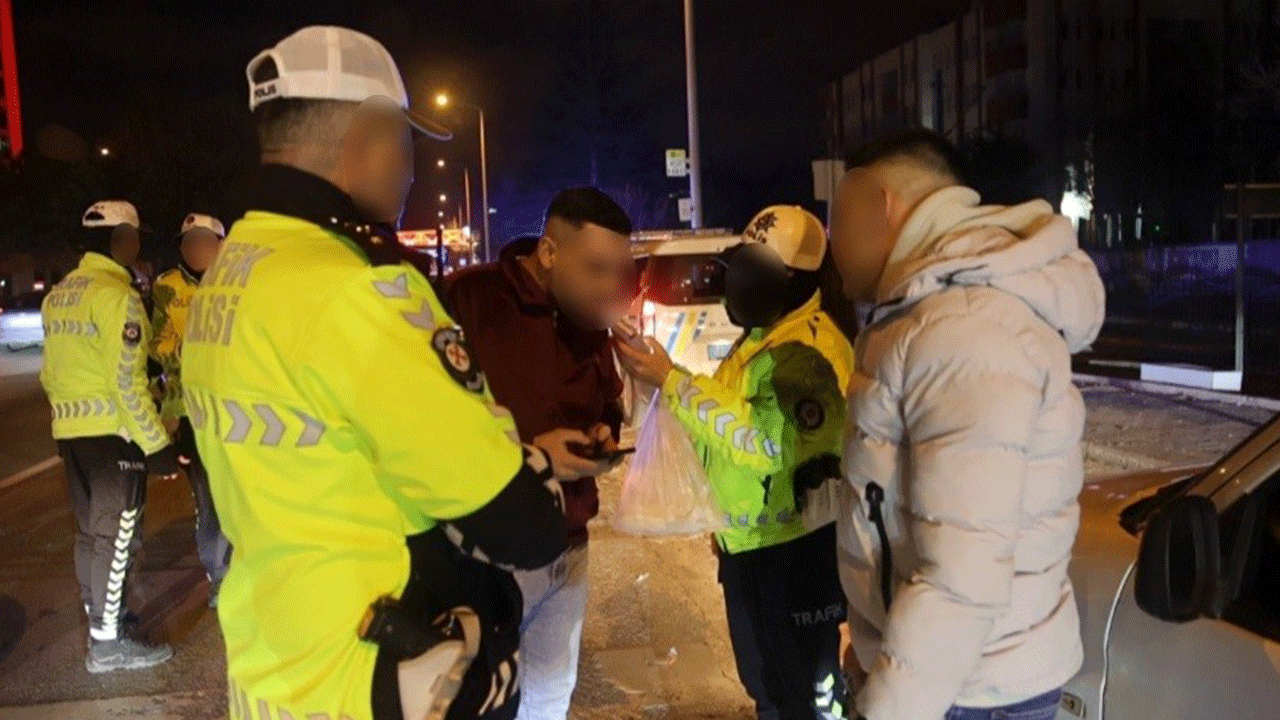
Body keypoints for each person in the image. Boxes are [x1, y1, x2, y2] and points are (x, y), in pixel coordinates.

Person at [183, 26, 601, 720]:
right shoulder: (359, 290)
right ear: (366, 134)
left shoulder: (231, 274)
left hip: (271, 670)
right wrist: (534, 475)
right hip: (374, 675)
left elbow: (332, 450)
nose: (408, 170)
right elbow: (518, 525)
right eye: (405, 143)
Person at [827, 130, 1105, 720]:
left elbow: (962, 577)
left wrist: (886, 708)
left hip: (967, 694)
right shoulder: (931, 317)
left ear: (886, 204)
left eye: (837, 220)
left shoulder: (964, 330)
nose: (832, 243)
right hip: (950, 679)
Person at [616, 205, 854, 720]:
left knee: (801, 699)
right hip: (752, 546)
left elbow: (766, 444)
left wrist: (673, 381)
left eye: (753, 271)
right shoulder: (765, 339)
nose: (736, 283)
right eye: (737, 267)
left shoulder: (807, 353)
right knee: (768, 688)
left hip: (795, 555)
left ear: (793, 280)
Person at [444, 188, 633, 720]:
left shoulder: (588, 319)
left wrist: (602, 433)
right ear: (549, 253)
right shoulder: (468, 301)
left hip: (568, 547)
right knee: (482, 701)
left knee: (550, 698)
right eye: (596, 269)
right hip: (488, 553)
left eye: (619, 271)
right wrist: (528, 456)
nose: (609, 288)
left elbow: (606, 401)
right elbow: (429, 427)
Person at [40, 199, 181, 673]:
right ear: (122, 240)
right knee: (118, 536)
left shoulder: (59, 294)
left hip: (72, 432)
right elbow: (127, 381)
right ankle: (107, 644)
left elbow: (51, 372)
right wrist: (156, 443)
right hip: (112, 436)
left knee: (90, 535)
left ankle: (104, 616)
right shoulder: (115, 296)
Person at [149, 212, 229, 605]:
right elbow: (158, 346)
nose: (195, 248)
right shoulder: (167, 286)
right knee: (209, 500)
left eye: (203, 240)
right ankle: (219, 576)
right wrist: (193, 352)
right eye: (189, 241)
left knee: (246, 494)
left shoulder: (237, 283)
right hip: (191, 413)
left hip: (238, 410)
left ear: (221, 244)